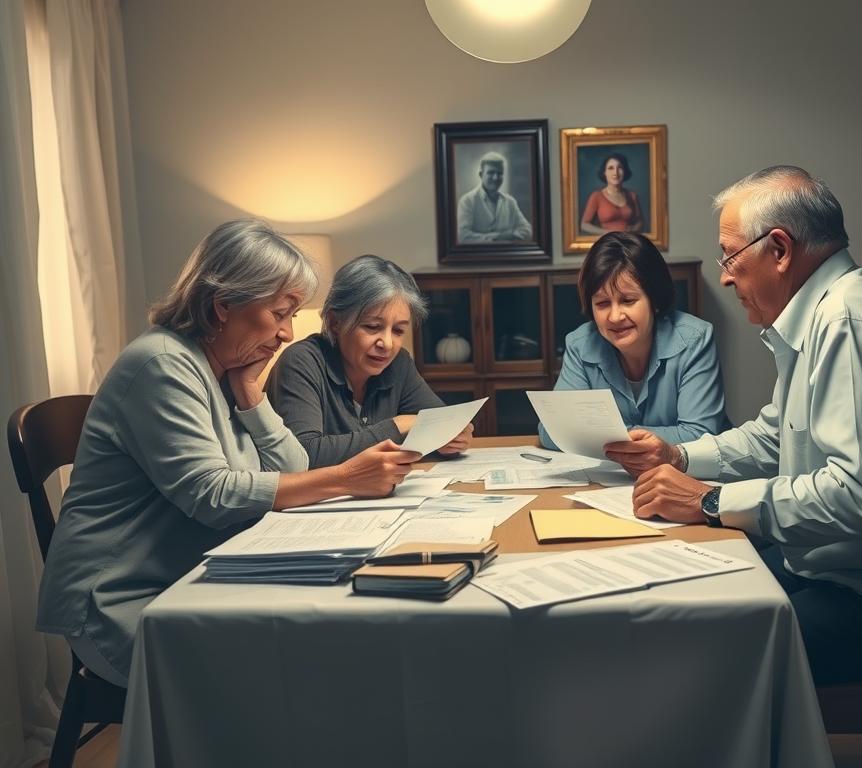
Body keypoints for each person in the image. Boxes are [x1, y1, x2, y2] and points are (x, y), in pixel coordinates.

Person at [607, 166, 862, 684]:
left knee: (692, 648)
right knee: (683, 598)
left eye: (730, 255)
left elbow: (860, 497)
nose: (725, 276)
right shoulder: (825, 310)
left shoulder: (849, 322)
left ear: (778, 249)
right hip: (846, 570)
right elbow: (775, 434)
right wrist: (677, 457)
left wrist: (708, 501)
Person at [35, 220, 420, 686]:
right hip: (122, 602)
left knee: (331, 644)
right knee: (310, 665)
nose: (286, 333)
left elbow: (294, 465)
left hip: (189, 579)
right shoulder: (162, 364)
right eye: (280, 313)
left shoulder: (225, 368)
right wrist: (345, 478)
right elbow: (211, 496)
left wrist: (251, 394)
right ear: (223, 307)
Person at [266, 255, 474, 467]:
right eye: (372, 327)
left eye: (398, 330)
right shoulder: (300, 362)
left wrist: (453, 438)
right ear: (334, 322)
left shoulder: (398, 363)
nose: (387, 343)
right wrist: (398, 425)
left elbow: (440, 422)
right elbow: (305, 454)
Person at [538, 231, 729, 456]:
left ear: (654, 299)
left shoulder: (695, 339)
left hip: (690, 477)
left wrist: (604, 435)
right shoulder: (580, 344)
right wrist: (635, 438)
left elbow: (700, 435)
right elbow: (551, 432)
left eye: (628, 300)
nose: (615, 316)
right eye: (602, 303)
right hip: (611, 483)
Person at [457, 151, 533, 243]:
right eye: (491, 173)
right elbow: (462, 236)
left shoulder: (510, 202)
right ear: (481, 174)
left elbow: (528, 231)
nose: (496, 177)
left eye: (500, 173)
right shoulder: (467, 201)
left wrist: (512, 235)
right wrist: (498, 237)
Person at [580, 153, 645, 235]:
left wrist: (631, 230)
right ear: (605, 173)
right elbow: (584, 225)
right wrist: (607, 233)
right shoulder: (596, 196)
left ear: (624, 171)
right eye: (611, 168)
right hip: (608, 242)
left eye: (620, 168)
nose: (615, 172)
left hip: (628, 241)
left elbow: (640, 222)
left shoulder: (632, 196)